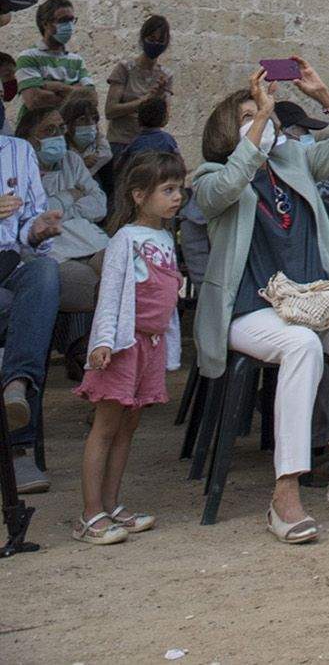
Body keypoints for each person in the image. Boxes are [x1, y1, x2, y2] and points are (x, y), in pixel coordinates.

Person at [193, 63, 329, 543]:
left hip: (311, 300)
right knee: (301, 345)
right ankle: (286, 492)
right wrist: (261, 122)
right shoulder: (209, 175)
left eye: (264, 113)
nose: (262, 119)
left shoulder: (293, 162)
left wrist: (325, 95)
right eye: (247, 114)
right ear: (228, 128)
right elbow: (225, 189)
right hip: (249, 309)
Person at [73, 149, 186, 545]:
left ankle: (112, 504)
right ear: (139, 195)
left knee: (129, 427)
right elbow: (111, 294)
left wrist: (168, 350)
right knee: (105, 427)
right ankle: (90, 514)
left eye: (179, 189)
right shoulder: (125, 239)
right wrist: (103, 341)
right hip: (122, 346)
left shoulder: (165, 238)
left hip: (150, 348)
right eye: (168, 189)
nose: (177, 197)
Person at [0, 107, 63, 488]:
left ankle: (16, 387)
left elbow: (27, 227)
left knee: (44, 272)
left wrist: (37, 230)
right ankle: (18, 450)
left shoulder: (20, 151)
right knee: (17, 311)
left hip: (8, 263)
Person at [20, 101, 108, 312]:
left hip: (90, 240)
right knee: (95, 288)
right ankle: (79, 342)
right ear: (29, 138)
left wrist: (58, 209)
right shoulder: (19, 168)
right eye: (49, 130)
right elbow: (31, 216)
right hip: (54, 252)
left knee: (125, 269)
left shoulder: (72, 160)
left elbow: (99, 205)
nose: (58, 134)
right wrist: (70, 195)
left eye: (61, 128)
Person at [105, 16, 173, 151]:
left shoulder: (166, 75)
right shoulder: (125, 69)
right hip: (121, 142)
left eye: (160, 41)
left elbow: (164, 120)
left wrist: (160, 99)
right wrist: (144, 101)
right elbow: (110, 111)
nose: (155, 44)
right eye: (152, 39)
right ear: (143, 39)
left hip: (148, 144)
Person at [14, 0, 93, 102]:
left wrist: (57, 87)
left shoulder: (77, 60)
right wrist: (77, 90)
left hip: (70, 119)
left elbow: (92, 98)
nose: (69, 26)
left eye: (71, 20)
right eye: (63, 20)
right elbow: (34, 100)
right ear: (46, 24)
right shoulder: (28, 57)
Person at [120, 93, 180, 167]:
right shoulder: (168, 140)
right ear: (163, 118)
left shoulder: (135, 143)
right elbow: (178, 162)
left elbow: (121, 165)